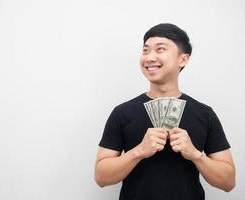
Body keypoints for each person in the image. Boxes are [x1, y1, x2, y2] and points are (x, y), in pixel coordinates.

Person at [94, 23, 235, 200]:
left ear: (183, 59)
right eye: (145, 50)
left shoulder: (204, 114)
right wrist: (139, 151)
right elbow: (101, 177)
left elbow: (228, 182)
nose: (150, 57)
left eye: (160, 49)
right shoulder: (123, 113)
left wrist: (196, 155)